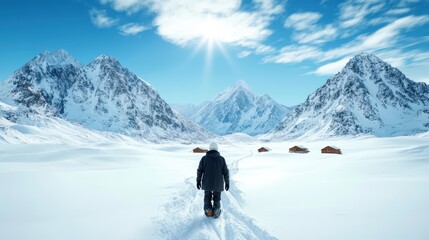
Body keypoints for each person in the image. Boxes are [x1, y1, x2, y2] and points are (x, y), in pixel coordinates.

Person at [196, 142, 229, 217]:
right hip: (218, 183)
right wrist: (227, 182)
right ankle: (216, 210)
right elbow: (225, 172)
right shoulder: (221, 159)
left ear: (209, 149)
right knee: (217, 198)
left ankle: (208, 211)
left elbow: (200, 171)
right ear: (217, 149)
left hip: (207, 183)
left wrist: (198, 181)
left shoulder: (204, 159)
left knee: (207, 197)